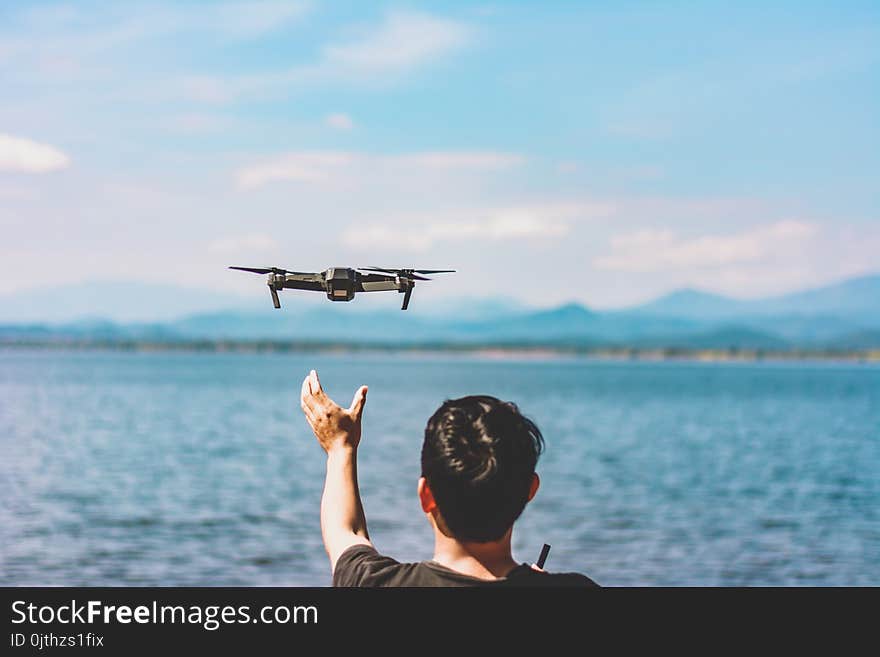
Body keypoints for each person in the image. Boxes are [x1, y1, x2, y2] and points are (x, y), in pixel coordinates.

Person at [299, 369, 598, 587]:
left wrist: (340, 447)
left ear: (425, 495)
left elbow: (345, 533)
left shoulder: (373, 584)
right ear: (530, 490)